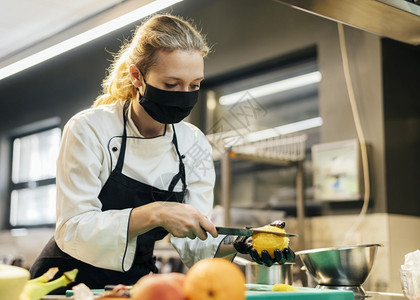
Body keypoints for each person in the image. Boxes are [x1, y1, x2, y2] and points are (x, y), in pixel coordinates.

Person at [29, 14, 294, 291]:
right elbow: (72, 228)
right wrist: (156, 213)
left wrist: (239, 243)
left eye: (194, 85)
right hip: (64, 282)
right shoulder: (89, 129)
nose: (184, 95)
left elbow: (196, 243)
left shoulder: (193, 143)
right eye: (171, 85)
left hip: (135, 285)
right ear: (137, 77)